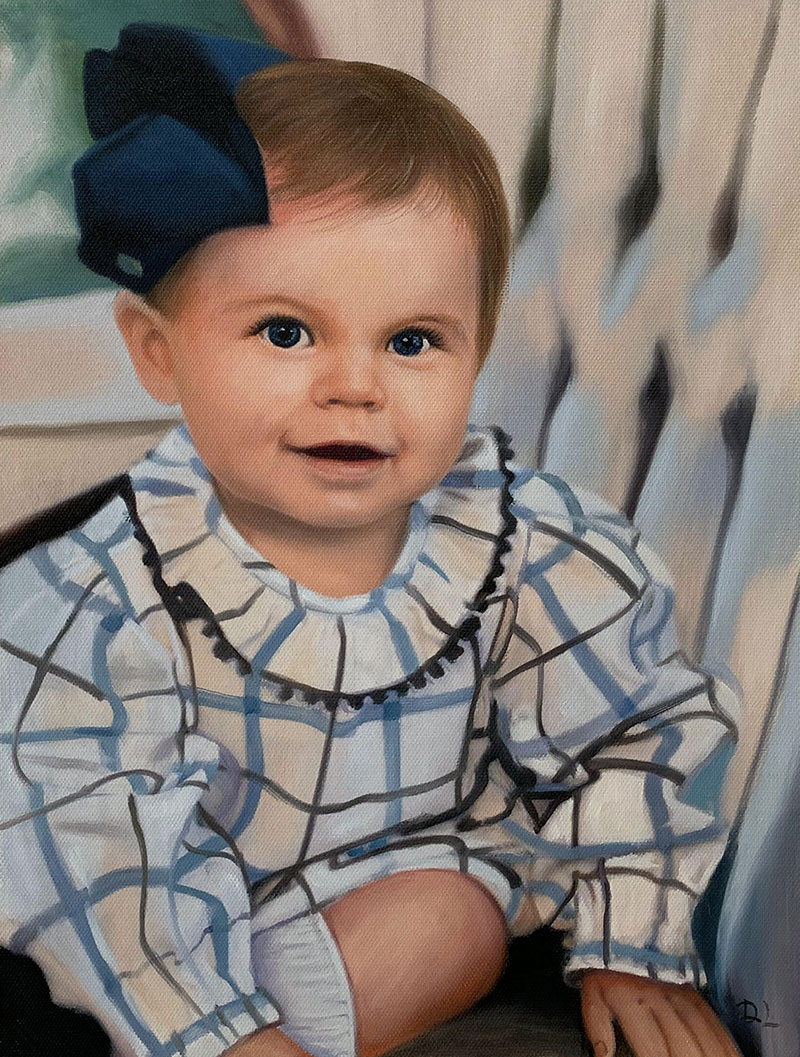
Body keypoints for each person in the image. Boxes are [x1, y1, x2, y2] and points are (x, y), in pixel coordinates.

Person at [0, 22, 743, 1057]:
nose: (354, 385)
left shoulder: (519, 546)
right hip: (158, 918)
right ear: (157, 354)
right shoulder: (101, 595)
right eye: (285, 331)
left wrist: (627, 933)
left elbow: (637, 732)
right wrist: (216, 1028)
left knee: (451, 919)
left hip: (381, 893)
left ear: (475, 353)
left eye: (410, 341)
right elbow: (83, 835)